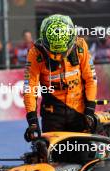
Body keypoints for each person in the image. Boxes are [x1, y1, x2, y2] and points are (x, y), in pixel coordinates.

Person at [23, 14, 97, 142]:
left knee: (85, 154)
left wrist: (89, 111)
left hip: (79, 112)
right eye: (54, 52)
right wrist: (32, 122)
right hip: (52, 114)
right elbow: (30, 87)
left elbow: (91, 79)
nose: (58, 56)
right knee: (51, 156)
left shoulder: (81, 46)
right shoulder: (35, 54)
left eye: (62, 52)